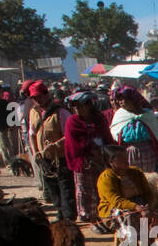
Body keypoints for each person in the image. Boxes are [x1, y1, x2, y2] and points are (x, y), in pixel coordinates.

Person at [63, 91, 113, 224]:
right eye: (74, 107)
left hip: (101, 161)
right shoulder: (72, 122)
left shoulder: (99, 119)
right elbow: (73, 144)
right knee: (85, 190)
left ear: (89, 105)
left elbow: (106, 137)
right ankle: (90, 218)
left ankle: (104, 216)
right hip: (84, 163)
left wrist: (105, 152)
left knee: (101, 189)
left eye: (80, 106)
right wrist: (90, 149)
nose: (77, 109)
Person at [28, 82, 75, 220]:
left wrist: (57, 144)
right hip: (45, 158)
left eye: (39, 96)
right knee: (52, 187)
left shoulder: (61, 112)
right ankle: (60, 212)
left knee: (65, 187)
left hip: (61, 157)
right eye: (34, 98)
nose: (37, 100)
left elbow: (70, 134)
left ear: (46, 94)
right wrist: (35, 151)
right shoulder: (33, 112)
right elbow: (32, 134)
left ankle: (69, 217)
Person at [110, 87, 158, 175]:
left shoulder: (147, 115)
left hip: (149, 155)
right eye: (119, 100)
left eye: (123, 99)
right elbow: (115, 135)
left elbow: (157, 135)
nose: (120, 102)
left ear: (132, 99)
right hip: (129, 155)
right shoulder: (120, 116)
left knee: (152, 180)